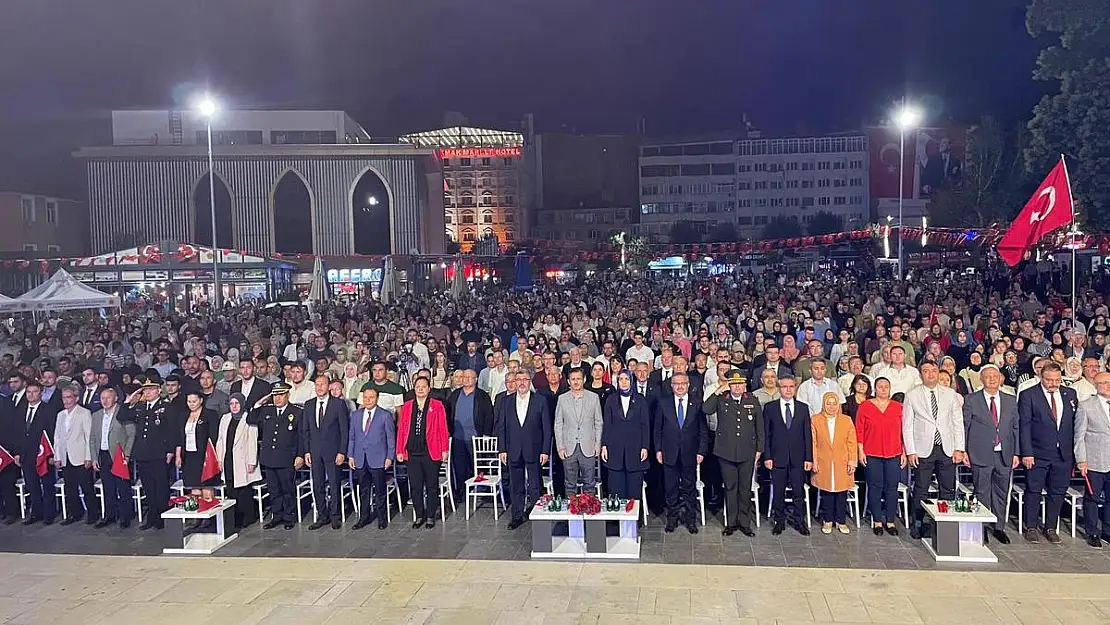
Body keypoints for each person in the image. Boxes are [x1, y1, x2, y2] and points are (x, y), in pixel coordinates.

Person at [903, 361, 966, 539]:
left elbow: (957, 423)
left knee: (947, 489)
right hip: (922, 449)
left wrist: (959, 448)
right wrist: (911, 451)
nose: (930, 374)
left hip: (947, 448)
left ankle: (946, 524)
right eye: (926, 371)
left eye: (933, 371)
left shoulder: (950, 394)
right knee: (921, 488)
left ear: (938, 373)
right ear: (921, 374)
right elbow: (907, 425)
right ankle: (918, 523)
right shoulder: (912, 395)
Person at [1019, 361, 1077, 543]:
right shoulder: (1029, 395)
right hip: (1037, 453)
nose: (1053, 384)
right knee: (1034, 490)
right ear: (1041, 377)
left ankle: (1050, 527)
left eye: (1057, 380)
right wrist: (1026, 453)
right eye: (1049, 380)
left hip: (1063, 454)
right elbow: (1024, 426)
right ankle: (1031, 527)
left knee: (1058, 491)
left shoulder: (1070, 394)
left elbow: (1074, 424)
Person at [962, 364, 1019, 545]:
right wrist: (963, 450)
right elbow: (965, 426)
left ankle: (999, 527)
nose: (992, 379)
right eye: (988, 376)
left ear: (1001, 378)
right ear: (982, 379)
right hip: (980, 453)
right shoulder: (971, 400)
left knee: (1002, 492)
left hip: (1005, 453)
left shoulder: (1010, 400)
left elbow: (1015, 428)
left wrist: (1017, 453)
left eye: (995, 376)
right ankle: (982, 526)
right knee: (982, 491)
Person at [655, 373, 710, 534]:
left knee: (689, 488)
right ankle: (672, 519)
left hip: (690, 453)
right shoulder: (663, 403)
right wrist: (658, 450)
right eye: (676, 384)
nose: (679, 386)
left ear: (688, 385)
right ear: (671, 386)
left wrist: (701, 451)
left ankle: (690, 520)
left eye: (683, 383)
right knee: (671, 489)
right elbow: (657, 429)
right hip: (669, 453)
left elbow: (703, 430)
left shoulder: (697, 403)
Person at [120, 379, 177, 530]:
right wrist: (129, 399)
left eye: (151, 389)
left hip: (159, 453)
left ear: (159, 390)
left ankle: (162, 518)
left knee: (161, 488)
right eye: (145, 390)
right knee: (149, 487)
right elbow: (122, 416)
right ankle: (151, 517)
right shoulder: (139, 406)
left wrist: (170, 450)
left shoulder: (166, 407)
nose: (147, 392)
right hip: (142, 453)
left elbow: (172, 430)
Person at [498, 371, 551, 530]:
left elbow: (547, 428)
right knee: (516, 485)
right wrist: (502, 449)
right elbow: (502, 427)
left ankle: (536, 514)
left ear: (529, 382)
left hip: (534, 450)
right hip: (513, 450)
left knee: (535, 485)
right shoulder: (506, 402)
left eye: (524, 380)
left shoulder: (540, 400)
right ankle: (517, 516)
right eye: (518, 380)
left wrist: (545, 450)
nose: (521, 383)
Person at [247, 382, 304, 530]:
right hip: (269, 457)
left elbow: (302, 436)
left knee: (287, 489)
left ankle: (289, 517)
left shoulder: (296, 412)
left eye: (280, 395)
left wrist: (300, 455)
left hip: (286, 457)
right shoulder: (267, 411)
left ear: (287, 395)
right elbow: (251, 419)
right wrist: (259, 403)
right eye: (275, 395)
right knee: (274, 490)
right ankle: (276, 516)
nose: (277, 398)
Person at [396, 377, 449, 529]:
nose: (420, 389)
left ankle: (431, 515)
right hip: (412, 452)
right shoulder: (407, 406)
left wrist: (444, 449)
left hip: (430, 451)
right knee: (415, 486)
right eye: (417, 386)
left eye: (423, 386)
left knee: (432, 485)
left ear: (428, 388)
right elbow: (402, 430)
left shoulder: (437, 405)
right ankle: (419, 515)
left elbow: (443, 429)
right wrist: (400, 450)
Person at [761, 376, 812, 536]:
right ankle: (779, 521)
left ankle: (799, 521)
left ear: (795, 388)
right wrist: (767, 456)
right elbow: (766, 434)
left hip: (798, 458)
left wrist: (808, 458)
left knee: (798, 492)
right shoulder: (770, 408)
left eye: (791, 386)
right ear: (779, 388)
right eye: (784, 387)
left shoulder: (803, 408)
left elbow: (807, 435)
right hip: (777, 458)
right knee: (778, 491)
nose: (788, 390)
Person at [855, 378, 904, 536]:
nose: (883, 389)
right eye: (880, 387)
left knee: (892, 488)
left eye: (886, 387)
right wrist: (860, 451)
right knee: (875, 487)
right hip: (872, 453)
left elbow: (904, 431)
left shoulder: (898, 407)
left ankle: (890, 521)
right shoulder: (865, 406)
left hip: (894, 453)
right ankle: (876, 520)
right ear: (874, 389)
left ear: (890, 389)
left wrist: (904, 451)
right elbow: (859, 430)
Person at [302, 374, 351, 530]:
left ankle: (335, 516)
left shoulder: (338, 404)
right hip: (315, 452)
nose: (320, 387)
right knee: (317, 485)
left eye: (323, 384)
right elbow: (306, 430)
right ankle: (322, 515)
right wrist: (307, 452)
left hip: (333, 452)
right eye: (317, 385)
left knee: (334, 484)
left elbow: (344, 430)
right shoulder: (309, 405)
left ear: (329, 386)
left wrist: (342, 451)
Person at [348, 386, 395, 530]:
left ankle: (382, 518)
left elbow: (390, 438)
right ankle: (363, 518)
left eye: (371, 397)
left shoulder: (385, 415)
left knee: (380, 490)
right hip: (360, 458)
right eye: (366, 397)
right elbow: (352, 437)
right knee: (363, 489)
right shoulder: (356, 415)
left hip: (378, 458)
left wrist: (389, 457)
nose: (368, 400)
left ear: (377, 398)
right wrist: (350, 455)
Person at [811, 392, 858, 535]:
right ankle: (828, 520)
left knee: (841, 493)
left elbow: (852, 442)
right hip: (823, 461)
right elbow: (813, 442)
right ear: (823, 404)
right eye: (828, 403)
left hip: (842, 461)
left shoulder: (846, 420)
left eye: (834, 404)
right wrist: (814, 460)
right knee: (827, 492)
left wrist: (852, 461)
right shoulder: (815, 419)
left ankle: (841, 521)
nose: (831, 407)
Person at [88, 387, 135, 528]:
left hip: (119, 455)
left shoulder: (123, 412)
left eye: (108, 397)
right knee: (107, 488)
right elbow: (92, 438)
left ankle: (125, 516)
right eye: (102, 398)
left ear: (115, 398)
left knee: (123, 488)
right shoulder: (96, 415)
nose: (105, 401)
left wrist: (126, 455)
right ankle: (110, 515)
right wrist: (94, 458)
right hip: (103, 455)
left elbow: (131, 434)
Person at [446, 369, 496, 499]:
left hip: (476, 438)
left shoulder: (482, 396)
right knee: (459, 466)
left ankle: (481, 490)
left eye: (470, 377)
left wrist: (486, 434)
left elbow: (489, 416)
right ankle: (461, 491)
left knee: (478, 466)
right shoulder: (455, 395)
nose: (467, 379)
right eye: (465, 377)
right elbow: (448, 413)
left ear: (476, 379)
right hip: (457, 437)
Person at [601, 370, 649, 501]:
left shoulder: (640, 400)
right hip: (615, 450)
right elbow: (607, 425)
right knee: (616, 491)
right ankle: (617, 521)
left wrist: (645, 446)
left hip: (636, 450)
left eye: (626, 379)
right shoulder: (610, 400)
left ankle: (634, 522)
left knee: (634, 493)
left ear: (631, 381)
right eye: (620, 379)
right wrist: (604, 445)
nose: (623, 382)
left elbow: (645, 425)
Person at [216, 393, 262, 529]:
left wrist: (252, 461)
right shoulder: (225, 418)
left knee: (243, 489)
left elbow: (253, 441)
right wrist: (219, 459)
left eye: (237, 403)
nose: (234, 406)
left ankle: (247, 517)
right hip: (228, 458)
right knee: (230, 487)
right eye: (231, 404)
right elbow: (220, 440)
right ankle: (234, 516)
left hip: (243, 458)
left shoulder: (248, 417)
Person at [1074, 372, 1110, 548]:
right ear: (1096, 386)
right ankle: (1092, 531)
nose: (1107, 385)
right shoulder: (1086, 406)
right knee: (1093, 498)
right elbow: (1079, 436)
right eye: (1103, 383)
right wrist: (1081, 460)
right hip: (1095, 460)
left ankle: (1108, 531)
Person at [555, 369, 604, 495]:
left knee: (589, 483)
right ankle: (572, 513)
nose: (576, 382)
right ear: (568, 381)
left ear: (584, 380)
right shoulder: (562, 399)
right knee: (570, 484)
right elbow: (558, 424)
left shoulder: (594, 398)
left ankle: (589, 512)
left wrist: (597, 444)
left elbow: (598, 422)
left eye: (579, 379)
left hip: (588, 446)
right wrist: (560, 447)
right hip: (568, 447)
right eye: (573, 379)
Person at [54, 386, 97, 525]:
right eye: (64, 398)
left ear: (76, 398)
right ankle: (75, 513)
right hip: (66, 456)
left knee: (87, 487)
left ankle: (93, 514)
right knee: (70, 488)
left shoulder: (84, 413)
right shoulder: (60, 415)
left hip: (80, 456)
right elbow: (57, 437)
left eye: (69, 397)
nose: (65, 400)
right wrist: (57, 456)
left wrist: (88, 456)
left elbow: (88, 436)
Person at [177, 391, 219, 491]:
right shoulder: (183, 415)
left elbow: (214, 436)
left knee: (206, 488)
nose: (191, 404)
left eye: (194, 401)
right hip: (188, 456)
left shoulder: (210, 414)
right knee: (193, 487)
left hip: (205, 456)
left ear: (201, 400)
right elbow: (179, 437)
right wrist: (178, 455)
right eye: (189, 401)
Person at [0, 394, 20, 524]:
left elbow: (12, 427)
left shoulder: (6, 402)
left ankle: (12, 512)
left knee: (7, 484)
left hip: (6, 451)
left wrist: (10, 448)